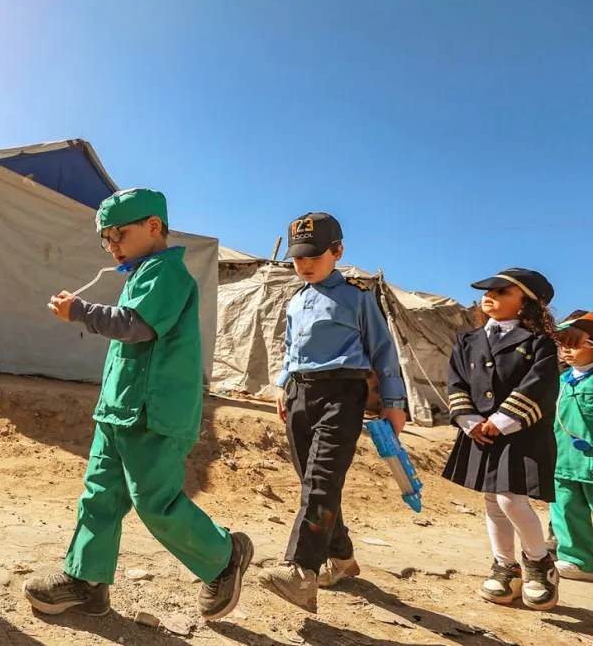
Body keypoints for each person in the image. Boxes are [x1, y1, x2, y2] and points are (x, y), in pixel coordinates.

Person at [23, 188, 254, 621]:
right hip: (118, 409)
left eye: (117, 234)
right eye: (105, 239)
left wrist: (80, 311)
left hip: (154, 414)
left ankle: (224, 555)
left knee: (155, 501)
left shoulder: (167, 273)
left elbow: (135, 326)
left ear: (153, 227)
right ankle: (86, 580)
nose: (111, 245)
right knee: (99, 496)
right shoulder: (140, 273)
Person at [257, 213, 407, 613]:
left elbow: (384, 352)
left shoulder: (358, 298)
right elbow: (290, 349)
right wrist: (282, 386)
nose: (304, 264)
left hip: (343, 394)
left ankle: (302, 572)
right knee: (312, 482)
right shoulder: (295, 300)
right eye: (297, 258)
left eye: (314, 256)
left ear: (337, 251)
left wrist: (394, 404)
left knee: (321, 481)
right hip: (299, 396)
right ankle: (340, 558)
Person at [444, 268, 560, 609]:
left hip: (518, 432)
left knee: (511, 499)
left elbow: (538, 386)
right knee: (493, 501)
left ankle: (539, 565)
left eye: (502, 291)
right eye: (487, 290)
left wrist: (500, 420)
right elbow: (457, 382)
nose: (489, 295)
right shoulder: (467, 340)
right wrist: (469, 420)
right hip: (479, 433)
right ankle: (504, 568)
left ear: (526, 304)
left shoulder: (540, 344)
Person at [549, 310, 593, 581]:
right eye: (562, 343)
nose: (566, 350)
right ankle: (579, 560)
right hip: (564, 461)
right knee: (566, 508)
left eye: (574, 343)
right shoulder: (560, 382)